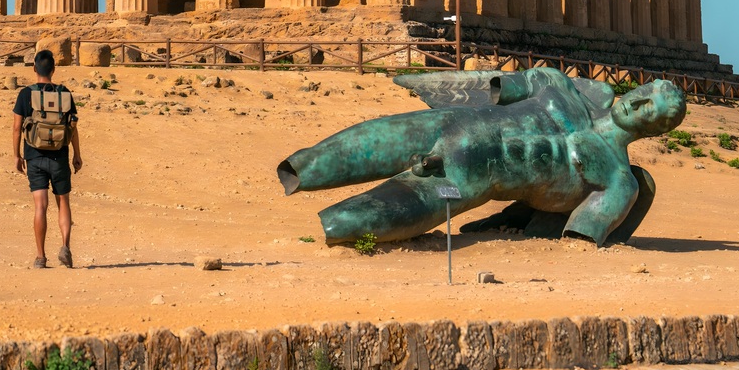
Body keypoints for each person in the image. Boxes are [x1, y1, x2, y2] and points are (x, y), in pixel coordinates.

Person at [278, 68, 685, 247]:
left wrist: (513, 224)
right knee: (330, 155)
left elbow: (575, 238)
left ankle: (330, 231)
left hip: (471, 175)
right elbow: (493, 87)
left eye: (652, 109)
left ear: (657, 130)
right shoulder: (563, 87)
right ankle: (299, 171)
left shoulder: (618, 181)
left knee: (349, 223)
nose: (639, 101)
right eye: (645, 91)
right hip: (453, 122)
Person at [13, 49, 82, 268]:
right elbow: (73, 127)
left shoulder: (26, 94)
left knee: (40, 206)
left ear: (34, 69)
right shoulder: (64, 93)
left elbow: (16, 128)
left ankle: (41, 257)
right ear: (53, 70)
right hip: (60, 156)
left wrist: (17, 155)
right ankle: (66, 248)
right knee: (63, 202)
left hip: (34, 156)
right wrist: (77, 155)